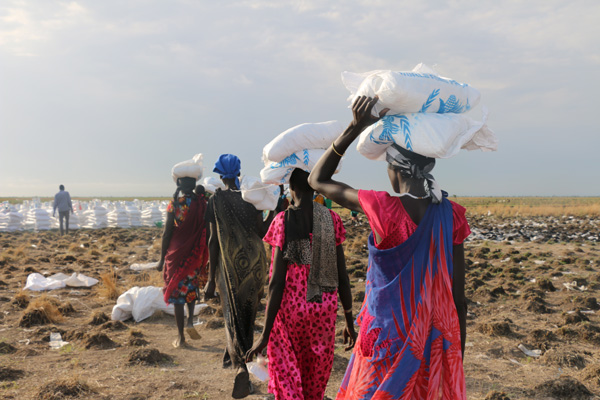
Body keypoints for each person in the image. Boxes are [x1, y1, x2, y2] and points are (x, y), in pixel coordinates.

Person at [309, 96, 470, 399]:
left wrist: (354, 128)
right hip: (434, 344)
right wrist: (454, 356)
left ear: (398, 168)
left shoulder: (382, 207)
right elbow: (458, 299)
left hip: (384, 338)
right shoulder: (453, 216)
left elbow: (317, 180)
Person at [245, 168, 356, 400]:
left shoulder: (282, 221)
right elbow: (342, 276)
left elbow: (276, 282)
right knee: (314, 380)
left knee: (288, 380)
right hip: (322, 312)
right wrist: (348, 319)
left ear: (291, 188)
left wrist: (265, 335)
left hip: (290, 314)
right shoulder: (331, 219)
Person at [204, 154, 272, 398]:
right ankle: (231, 356)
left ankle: (242, 369)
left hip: (229, 265)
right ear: (239, 174)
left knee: (232, 313)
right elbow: (264, 231)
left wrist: (211, 279)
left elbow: (213, 241)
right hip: (255, 264)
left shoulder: (215, 200)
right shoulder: (250, 199)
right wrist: (275, 212)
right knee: (247, 313)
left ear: (221, 176)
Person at [157, 178, 209, 348]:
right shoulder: (202, 204)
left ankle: (180, 337)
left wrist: (161, 258)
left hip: (176, 253)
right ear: (193, 186)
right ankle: (190, 322)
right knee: (190, 289)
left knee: (177, 292)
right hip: (194, 253)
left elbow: (167, 232)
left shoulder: (175, 204)